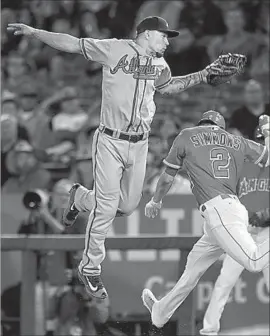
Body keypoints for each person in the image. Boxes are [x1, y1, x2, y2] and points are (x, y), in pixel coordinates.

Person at [8, 16, 227, 300]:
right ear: (147, 34)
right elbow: (73, 44)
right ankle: (90, 267)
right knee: (108, 205)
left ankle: (79, 197)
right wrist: (35, 32)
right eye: (164, 35)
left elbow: (168, 86)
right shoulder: (114, 49)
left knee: (126, 206)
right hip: (110, 139)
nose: (167, 40)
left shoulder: (160, 64)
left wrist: (201, 76)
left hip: (140, 143)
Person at [141, 110, 270, 329]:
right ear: (221, 126)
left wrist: (155, 201)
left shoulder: (187, 135)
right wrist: (267, 132)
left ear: (202, 123)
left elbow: (166, 179)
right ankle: (160, 312)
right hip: (223, 212)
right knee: (192, 271)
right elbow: (267, 157)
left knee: (255, 261)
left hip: (220, 211)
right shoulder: (236, 141)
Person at [199, 127, 269, 336]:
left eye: (263, 141)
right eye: (257, 141)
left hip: (267, 232)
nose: (261, 146)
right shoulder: (242, 167)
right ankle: (209, 330)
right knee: (225, 281)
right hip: (244, 230)